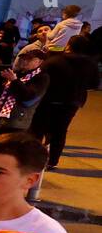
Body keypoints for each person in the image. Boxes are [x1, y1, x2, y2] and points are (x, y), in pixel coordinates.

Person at [33, 36, 95, 171]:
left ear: (68, 45)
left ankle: (33, 157)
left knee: (39, 128)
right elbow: (94, 83)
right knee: (60, 131)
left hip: (50, 99)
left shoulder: (55, 60)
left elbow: (40, 76)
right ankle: (52, 161)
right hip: (73, 102)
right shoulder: (90, 64)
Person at [0, 48, 48, 140]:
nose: (25, 61)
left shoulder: (41, 78)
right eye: (24, 59)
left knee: (8, 150)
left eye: (29, 59)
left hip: (16, 122)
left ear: (39, 62)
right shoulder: (17, 73)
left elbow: (28, 97)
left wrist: (14, 80)